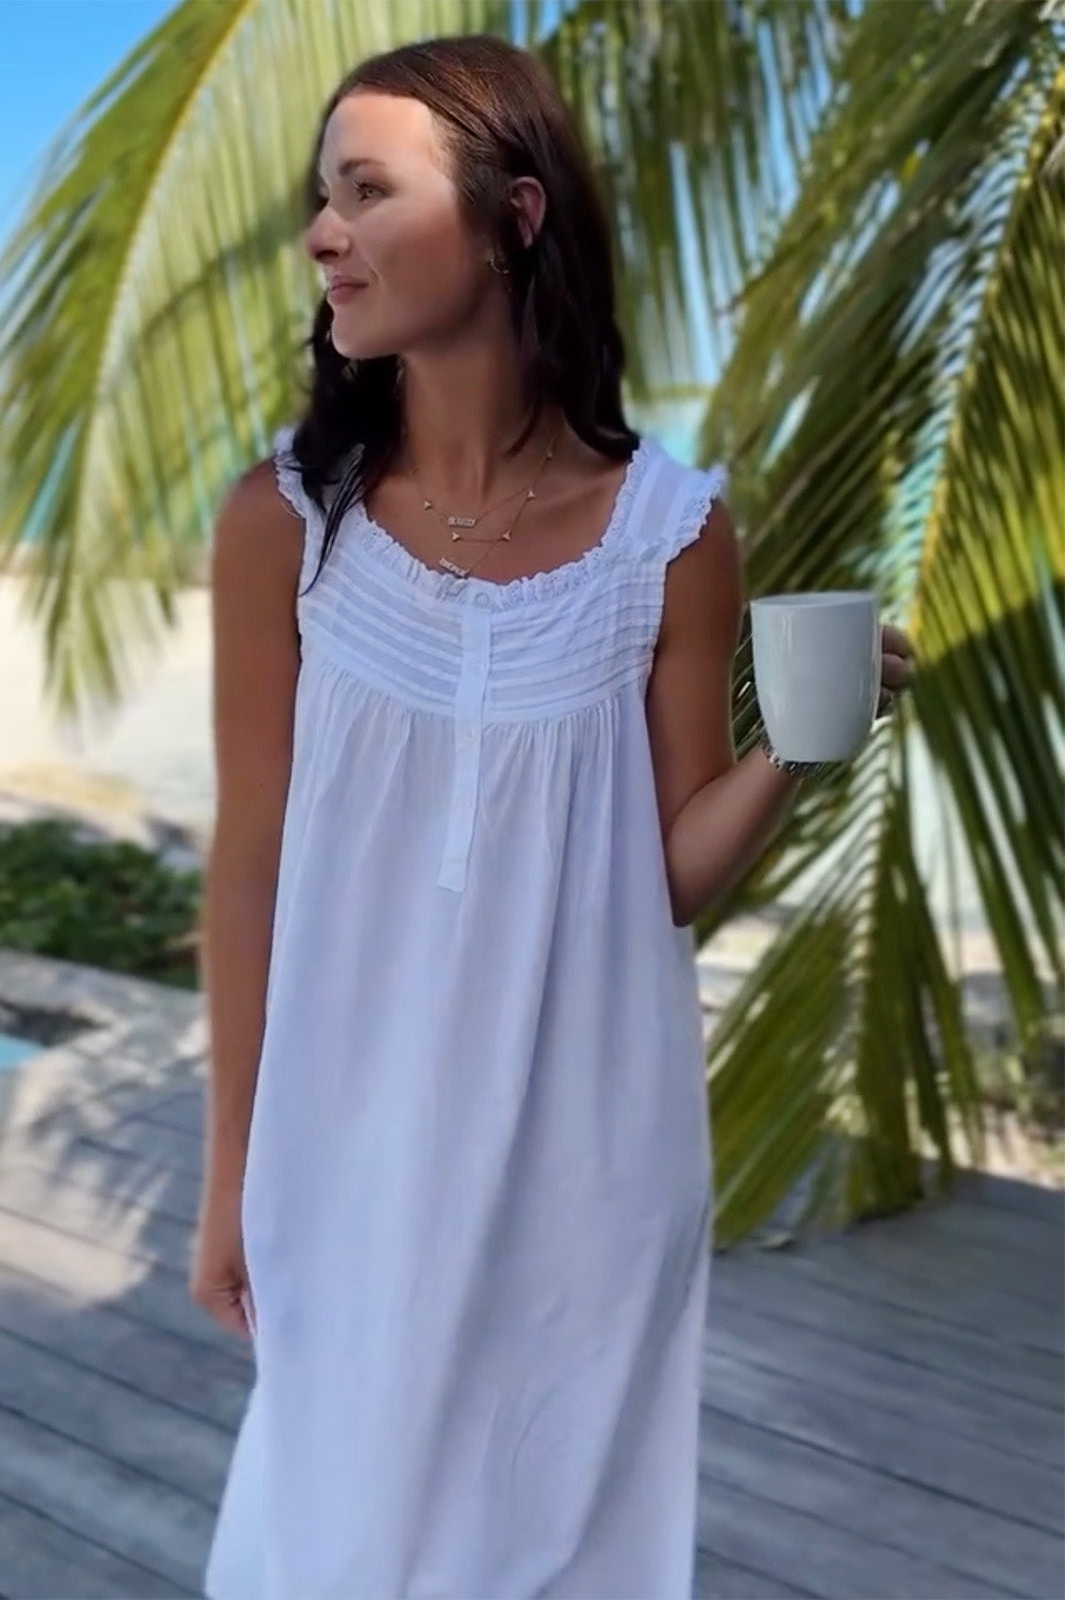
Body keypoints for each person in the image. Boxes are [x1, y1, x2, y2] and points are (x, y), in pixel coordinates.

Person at [192, 34, 913, 1600]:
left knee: (556, 1553)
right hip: (346, 1151)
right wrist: (230, 1170)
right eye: (321, 196)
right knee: (324, 1543)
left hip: (588, 1164)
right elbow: (246, 872)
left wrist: (800, 743)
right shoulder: (286, 528)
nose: (322, 232)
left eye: (367, 192)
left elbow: (666, 877)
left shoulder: (673, 533)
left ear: (515, 219)